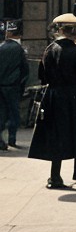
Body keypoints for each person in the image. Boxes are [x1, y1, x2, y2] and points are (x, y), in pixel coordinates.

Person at [29, 13, 76, 188]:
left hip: (54, 96)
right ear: (75, 31)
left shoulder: (49, 49)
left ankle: (55, 175)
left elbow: (42, 75)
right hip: (74, 96)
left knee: (57, 134)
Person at [0, 20, 26, 150]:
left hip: (1, 86)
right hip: (13, 86)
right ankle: (12, 139)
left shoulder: (1, 47)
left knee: (2, 112)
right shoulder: (19, 49)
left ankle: (0, 141)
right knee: (14, 113)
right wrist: (22, 86)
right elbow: (24, 70)